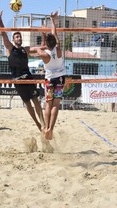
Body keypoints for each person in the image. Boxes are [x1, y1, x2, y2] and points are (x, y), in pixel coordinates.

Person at [0, 7, 45, 131]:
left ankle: (43, 124)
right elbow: (3, 34)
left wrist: (44, 33)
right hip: (18, 81)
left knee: (36, 102)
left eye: (20, 37)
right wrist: (0, 19)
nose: (19, 38)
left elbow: (41, 47)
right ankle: (37, 124)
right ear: (13, 39)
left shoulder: (25, 49)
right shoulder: (10, 48)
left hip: (28, 78)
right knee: (28, 104)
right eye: (17, 37)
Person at [35, 11, 66, 140]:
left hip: (49, 79)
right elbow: (54, 34)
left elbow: (38, 48)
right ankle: (51, 129)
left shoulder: (43, 53)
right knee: (55, 105)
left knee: (48, 104)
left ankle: (46, 127)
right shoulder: (58, 49)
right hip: (60, 78)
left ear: (46, 44)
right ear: (55, 42)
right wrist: (52, 20)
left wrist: (42, 34)